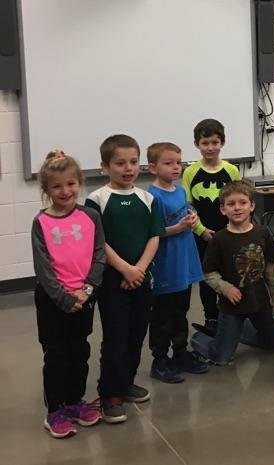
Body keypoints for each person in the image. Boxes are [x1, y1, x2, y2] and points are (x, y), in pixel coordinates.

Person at [86, 135, 164, 423]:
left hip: (141, 278)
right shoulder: (97, 200)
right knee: (116, 336)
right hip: (112, 281)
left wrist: (139, 269)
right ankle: (110, 393)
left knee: (136, 333)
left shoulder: (147, 198)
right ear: (105, 166)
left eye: (133, 162)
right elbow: (99, 242)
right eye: (120, 163)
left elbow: (154, 236)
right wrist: (125, 270)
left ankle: (127, 381)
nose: (128, 168)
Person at [33, 151, 105, 438]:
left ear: (80, 182)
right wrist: (65, 298)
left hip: (84, 297)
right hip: (54, 301)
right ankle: (55, 411)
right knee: (56, 355)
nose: (65, 191)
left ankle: (75, 401)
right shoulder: (41, 223)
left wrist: (86, 291)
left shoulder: (90, 216)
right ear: (47, 190)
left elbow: (99, 254)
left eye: (71, 184)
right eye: (57, 186)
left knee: (79, 350)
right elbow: (43, 268)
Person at [190, 180, 274, 365]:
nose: (237, 208)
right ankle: (200, 339)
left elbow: (271, 269)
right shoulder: (219, 239)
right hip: (232, 306)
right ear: (223, 209)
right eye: (231, 204)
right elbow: (208, 273)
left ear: (252, 206)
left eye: (243, 203)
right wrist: (225, 288)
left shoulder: (262, 233)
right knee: (221, 358)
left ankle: (238, 332)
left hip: (259, 302)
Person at [146, 142, 208, 384]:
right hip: (165, 264)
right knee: (163, 315)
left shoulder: (180, 190)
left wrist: (192, 219)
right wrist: (177, 227)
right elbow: (153, 233)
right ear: (153, 167)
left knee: (181, 311)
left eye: (178, 162)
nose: (175, 167)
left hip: (185, 260)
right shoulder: (152, 197)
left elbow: (186, 212)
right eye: (168, 163)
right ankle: (160, 360)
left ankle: (180, 353)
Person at [182, 118, 242, 334]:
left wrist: (236, 228)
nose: (210, 147)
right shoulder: (190, 172)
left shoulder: (231, 170)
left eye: (215, 142)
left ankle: (231, 313)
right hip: (203, 234)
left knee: (230, 273)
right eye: (205, 143)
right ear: (197, 144)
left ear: (222, 143)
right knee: (207, 276)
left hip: (229, 232)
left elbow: (239, 200)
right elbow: (188, 205)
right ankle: (211, 317)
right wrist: (200, 230)